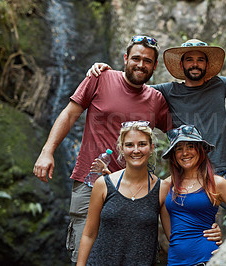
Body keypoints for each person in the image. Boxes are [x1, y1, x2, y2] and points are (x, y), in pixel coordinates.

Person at [86, 39, 226, 265]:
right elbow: (134, 84)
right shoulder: (167, 91)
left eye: (200, 59)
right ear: (181, 65)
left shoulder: (219, 85)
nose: (195, 64)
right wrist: (107, 72)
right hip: (185, 178)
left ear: (206, 64)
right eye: (189, 59)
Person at [33, 35, 174, 263]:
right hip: (91, 183)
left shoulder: (156, 99)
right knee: (84, 252)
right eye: (136, 58)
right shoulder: (100, 78)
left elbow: (178, 137)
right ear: (125, 58)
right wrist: (47, 150)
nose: (141, 64)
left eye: (147, 61)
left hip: (136, 191)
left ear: (155, 66)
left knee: (131, 255)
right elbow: (69, 114)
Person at [77, 121, 222, 265]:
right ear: (121, 148)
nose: (136, 150)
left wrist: (211, 237)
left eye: (142, 144)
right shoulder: (103, 184)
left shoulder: (162, 188)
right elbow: (89, 234)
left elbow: (176, 235)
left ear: (151, 147)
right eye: (129, 145)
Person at [161, 125, 226, 266]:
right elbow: (171, 234)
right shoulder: (166, 185)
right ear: (173, 155)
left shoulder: (217, 183)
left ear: (200, 150)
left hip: (207, 259)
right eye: (179, 148)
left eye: (190, 146)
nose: (185, 153)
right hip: (175, 261)